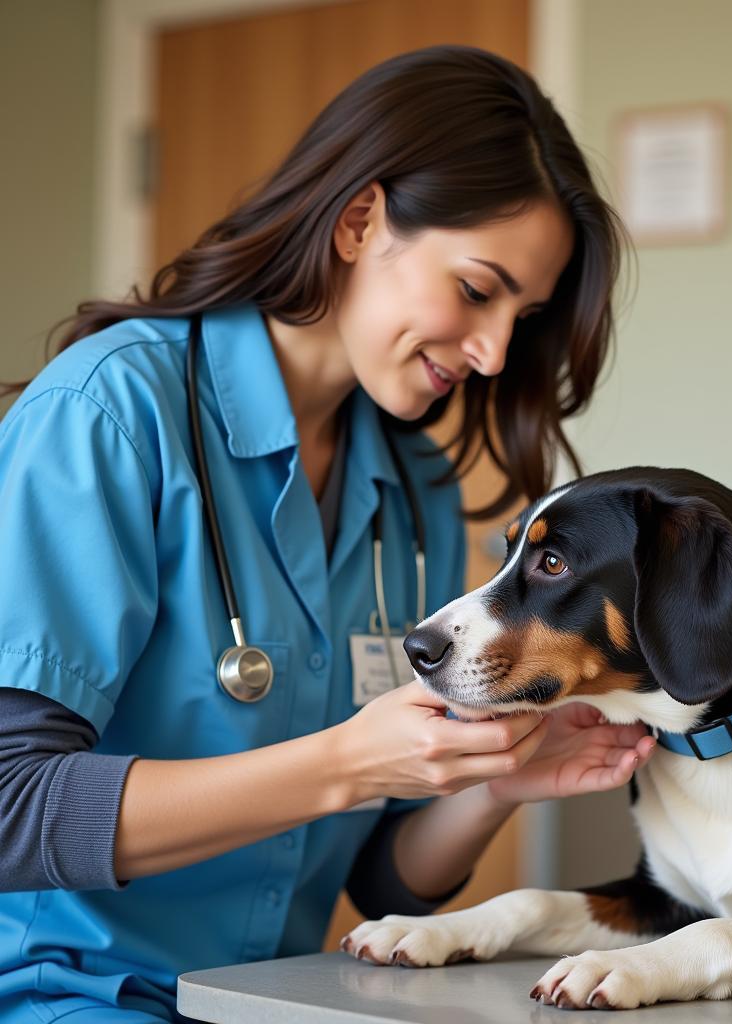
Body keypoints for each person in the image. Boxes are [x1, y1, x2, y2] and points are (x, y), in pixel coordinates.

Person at [0, 45, 653, 1023]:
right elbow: (13, 810)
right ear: (360, 221)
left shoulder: (414, 489)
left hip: (280, 999)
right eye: (478, 291)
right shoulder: (109, 413)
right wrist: (346, 762)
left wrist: (492, 781)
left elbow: (383, 883)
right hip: (71, 996)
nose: (492, 353)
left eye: (523, 316)